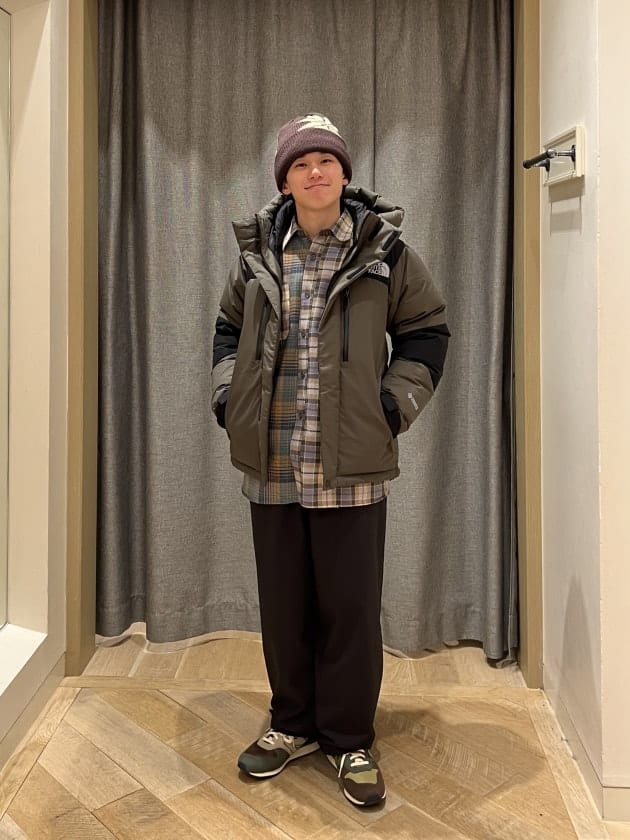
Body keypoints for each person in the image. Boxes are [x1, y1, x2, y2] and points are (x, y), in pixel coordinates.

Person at [211, 113, 449, 807]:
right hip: (272, 463)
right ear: (285, 181)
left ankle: (348, 738)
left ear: (344, 173)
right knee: (284, 607)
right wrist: (229, 399)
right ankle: (291, 724)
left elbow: (427, 332)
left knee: (349, 609)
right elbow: (227, 330)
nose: (315, 172)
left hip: (350, 467)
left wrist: (391, 409)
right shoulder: (258, 253)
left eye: (326, 161)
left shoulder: (385, 251)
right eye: (300, 163)